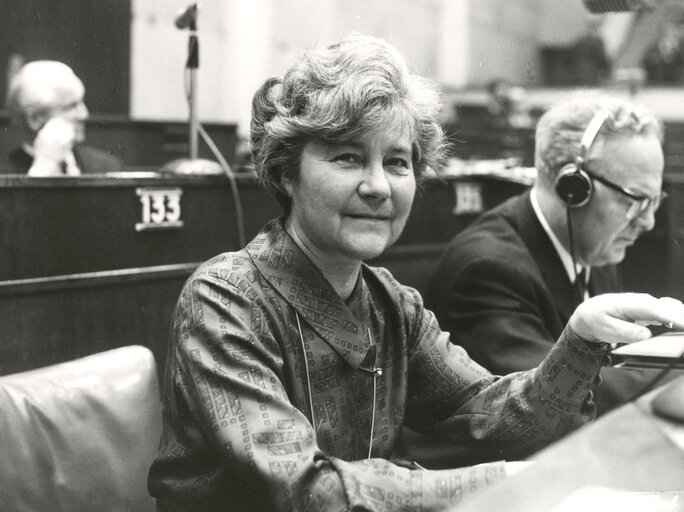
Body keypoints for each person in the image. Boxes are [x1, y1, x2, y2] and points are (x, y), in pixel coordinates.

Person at [147, 34, 684, 511]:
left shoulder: (391, 304)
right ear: (287, 172)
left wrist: (581, 337)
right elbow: (309, 492)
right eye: (348, 158)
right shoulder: (223, 300)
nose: (379, 186)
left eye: (398, 162)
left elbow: (491, 414)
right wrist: (501, 481)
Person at [424, 91, 680, 417]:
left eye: (655, 202)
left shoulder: (593, 249)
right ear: (573, 188)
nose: (648, 222)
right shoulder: (487, 269)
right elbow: (558, 397)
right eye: (635, 200)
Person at [2, 60, 122, 175]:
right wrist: (43, 167)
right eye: (71, 106)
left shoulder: (107, 166)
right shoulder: (4, 173)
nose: (84, 115)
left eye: (81, 103)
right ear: (34, 119)